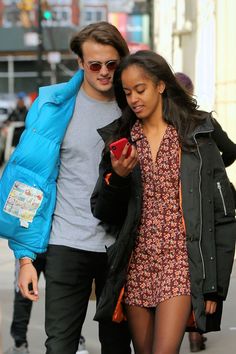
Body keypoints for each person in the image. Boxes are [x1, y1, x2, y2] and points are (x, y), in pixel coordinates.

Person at [91, 50, 236, 354]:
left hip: (181, 263)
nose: (133, 99)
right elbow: (102, 211)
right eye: (127, 92)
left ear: (160, 85)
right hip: (138, 262)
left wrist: (215, 287)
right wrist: (117, 177)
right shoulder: (123, 140)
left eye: (140, 89)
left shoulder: (197, 135)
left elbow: (223, 215)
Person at [0, 22, 131, 354]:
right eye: (95, 65)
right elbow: (28, 181)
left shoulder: (133, 106)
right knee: (59, 345)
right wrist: (26, 258)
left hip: (120, 247)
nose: (104, 72)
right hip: (65, 244)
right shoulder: (52, 107)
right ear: (80, 63)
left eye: (112, 64)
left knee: (117, 346)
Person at [176, 71, 236, 352]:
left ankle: (195, 327)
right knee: (201, 254)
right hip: (202, 199)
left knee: (200, 257)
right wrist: (215, 169)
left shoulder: (187, 124)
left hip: (197, 201)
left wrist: (210, 169)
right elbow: (232, 151)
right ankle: (196, 331)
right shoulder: (204, 121)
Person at [4, 254, 46, 354]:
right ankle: (76, 343)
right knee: (63, 296)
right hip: (58, 246)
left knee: (23, 296)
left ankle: (20, 345)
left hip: (29, 246)